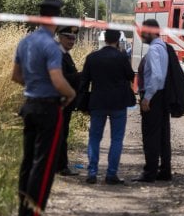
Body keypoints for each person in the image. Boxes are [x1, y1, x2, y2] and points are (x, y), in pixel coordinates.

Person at [11, 0, 76, 216]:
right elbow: (58, 81)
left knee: (28, 164)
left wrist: (35, 84)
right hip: (49, 109)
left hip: (29, 105)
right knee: (44, 166)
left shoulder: (25, 42)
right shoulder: (50, 46)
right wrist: (71, 94)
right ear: (56, 20)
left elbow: (16, 76)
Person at [78, 29, 135, 185]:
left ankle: (92, 173)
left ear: (103, 39)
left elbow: (84, 82)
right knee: (116, 139)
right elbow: (131, 76)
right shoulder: (122, 57)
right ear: (117, 40)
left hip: (97, 102)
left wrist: (82, 103)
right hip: (118, 104)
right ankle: (111, 175)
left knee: (95, 138)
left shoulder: (92, 57)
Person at [133, 19, 171, 183]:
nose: (141, 35)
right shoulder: (163, 48)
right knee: (162, 135)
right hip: (161, 96)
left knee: (151, 136)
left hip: (154, 97)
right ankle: (164, 171)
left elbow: (156, 76)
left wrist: (147, 98)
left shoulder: (155, 50)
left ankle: (149, 173)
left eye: (143, 32)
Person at [56, 26, 81, 176]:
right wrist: (80, 76)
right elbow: (61, 78)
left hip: (66, 102)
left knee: (62, 134)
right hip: (61, 102)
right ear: (60, 37)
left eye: (73, 38)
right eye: (68, 38)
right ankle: (61, 166)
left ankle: (60, 165)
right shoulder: (58, 54)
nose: (72, 41)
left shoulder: (65, 54)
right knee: (60, 134)